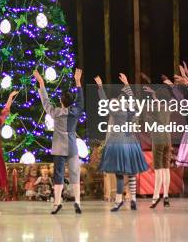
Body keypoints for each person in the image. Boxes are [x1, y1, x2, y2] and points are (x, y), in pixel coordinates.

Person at [33, 67, 84, 215]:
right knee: (75, 175)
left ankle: (56, 203)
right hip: (72, 148)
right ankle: (77, 203)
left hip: (59, 149)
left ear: (61, 101)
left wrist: (41, 82)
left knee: (58, 176)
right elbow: (80, 101)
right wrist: (78, 82)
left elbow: (45, 102)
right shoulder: (75, 112)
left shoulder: (55, 112)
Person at [95, 73, 148, 211]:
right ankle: (134, 199)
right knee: (131, 172)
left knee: (119, 173)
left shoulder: (116, 111)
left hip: (118, 142)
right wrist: (127, 85)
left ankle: (118, 200)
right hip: (131, 142)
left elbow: (104, 101)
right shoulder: (132, 110)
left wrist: (100, 86)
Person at [143, 84, 173, 209]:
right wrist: (154, 93)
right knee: (166, 168)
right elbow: (162, 100)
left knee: (159, 169)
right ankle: (166, 196)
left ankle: (155, 196)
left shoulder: (154, 109)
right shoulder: (167, 107)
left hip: (158, 140)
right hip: (167, 139)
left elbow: (145, 120)